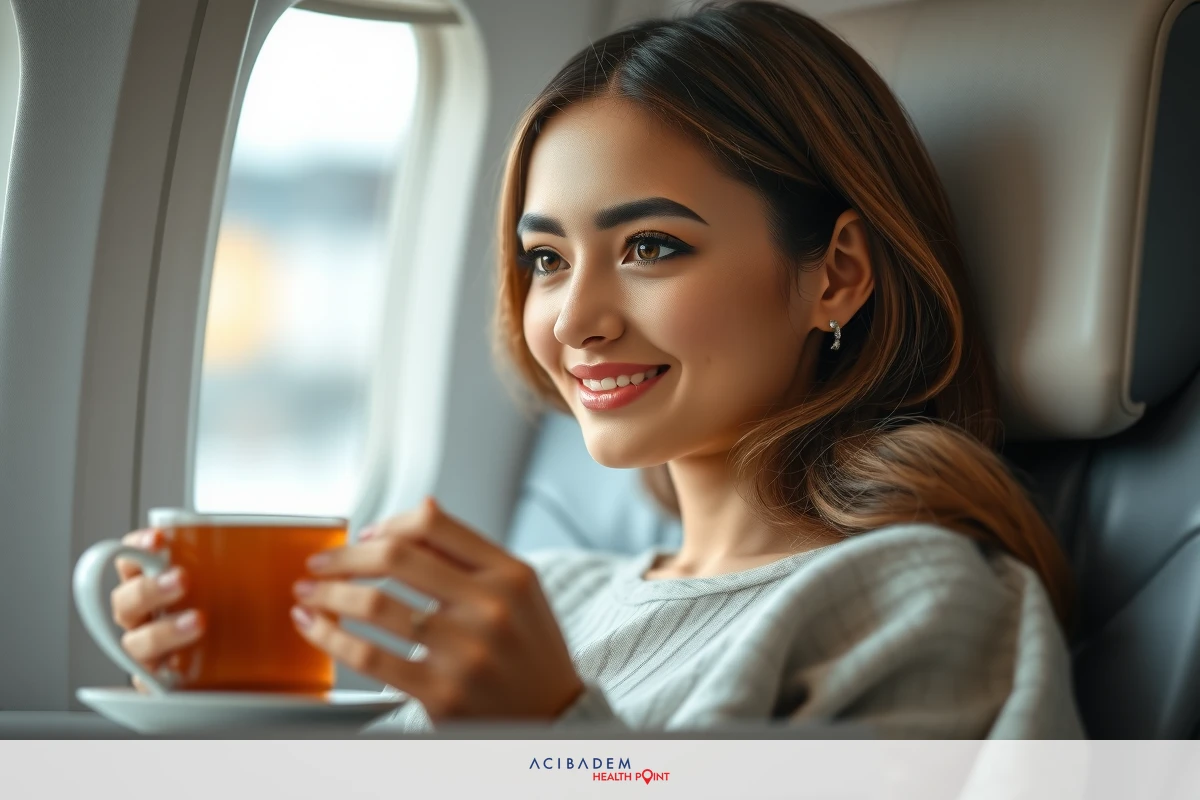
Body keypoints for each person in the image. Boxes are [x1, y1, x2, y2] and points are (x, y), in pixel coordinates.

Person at [109, 0, 1085, 738]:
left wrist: (549, 725)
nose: (573, 319)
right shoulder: (555, 594)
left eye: (652, 246)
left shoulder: (920, 599)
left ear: (834, 274)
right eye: (546, 259)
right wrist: (206, 706)